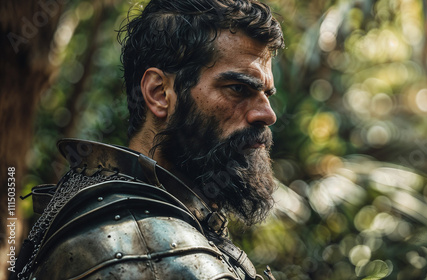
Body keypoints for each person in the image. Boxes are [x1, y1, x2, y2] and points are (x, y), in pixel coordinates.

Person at [12, 0, 284, 279]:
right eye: (238, 88)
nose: (267, 114)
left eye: (266, 94)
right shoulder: (150, 252)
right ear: (158, 93)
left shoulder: (99, 195)